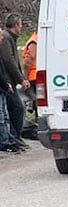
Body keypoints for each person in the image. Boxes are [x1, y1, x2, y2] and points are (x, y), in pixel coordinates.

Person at [0, 14, 30, 147]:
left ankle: (13, 137)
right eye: (20, 24)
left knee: (12, 109)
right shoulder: (6, 38)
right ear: (16, 25)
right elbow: (9, 60)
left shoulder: (10, 38)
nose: (21, 27)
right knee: (17, 107)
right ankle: (13, 137)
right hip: (6, 82)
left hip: (8, 81)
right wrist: (21, 79)